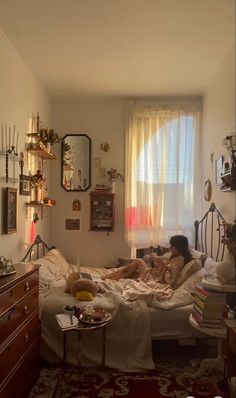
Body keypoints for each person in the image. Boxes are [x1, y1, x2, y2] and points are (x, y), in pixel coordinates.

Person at [102, 235, 192, 288]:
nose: (171, 248)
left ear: (180, 247)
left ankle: (106, 281)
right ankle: (103, 279)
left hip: (156, 278)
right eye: (171, 245)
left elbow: (171, 281)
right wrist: (156, 258)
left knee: (138, 261)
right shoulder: (174, 255)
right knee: (128, 271)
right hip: (154, 274)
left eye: (173, 246)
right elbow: (165, 262)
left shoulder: (181, 260)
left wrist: (163, 266)